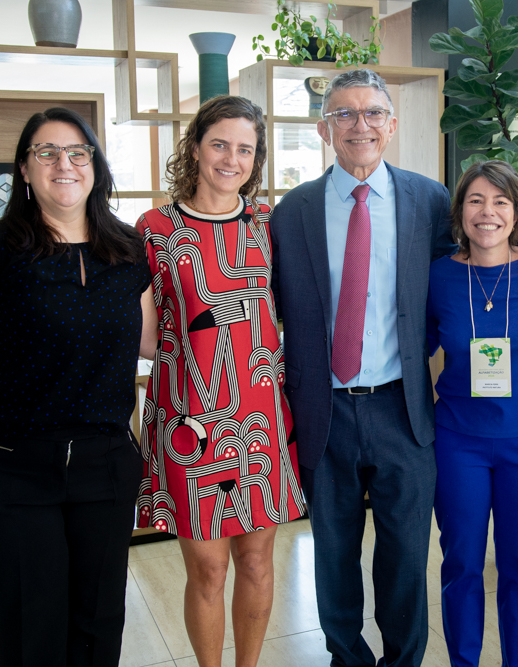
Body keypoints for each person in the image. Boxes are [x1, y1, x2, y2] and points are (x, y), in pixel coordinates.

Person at [270, 69, 518, 667]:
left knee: (405, 554)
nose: (360, 125)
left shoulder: (427, 199)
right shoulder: (291, 212)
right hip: (323, 408)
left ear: (392, 125)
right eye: (344, 114)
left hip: (402, 406)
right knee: (333, 553)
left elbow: (479, 245)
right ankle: (346, 657)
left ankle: (404, 660)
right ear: (325, 128)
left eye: (373, 113)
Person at [0, 107, 154, 667]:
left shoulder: (127, 250)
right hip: (9, 467)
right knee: (33, 632)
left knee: (99, 625)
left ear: (95, 167)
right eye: (46, 152)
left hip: (103, 465)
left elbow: (148, 345)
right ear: (25, 170)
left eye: (78, 152)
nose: (64, 164)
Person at [134, 95, 304, 667]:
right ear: (196, 148)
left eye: (245, 149)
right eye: (220, 145)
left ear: (257, 159)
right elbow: (142, 335)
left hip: (261, 419)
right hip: (190, 421)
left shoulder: (269, 228)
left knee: (257, 561)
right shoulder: (155, 230)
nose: (231, 159)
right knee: (207, 567)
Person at [427, 160, 518, 667]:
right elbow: (413, 348)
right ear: (460, 211)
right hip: (458, 442)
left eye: (500, 202)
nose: (487, 213)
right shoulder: (438, 276)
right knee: (461, 563)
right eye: (475, 201)